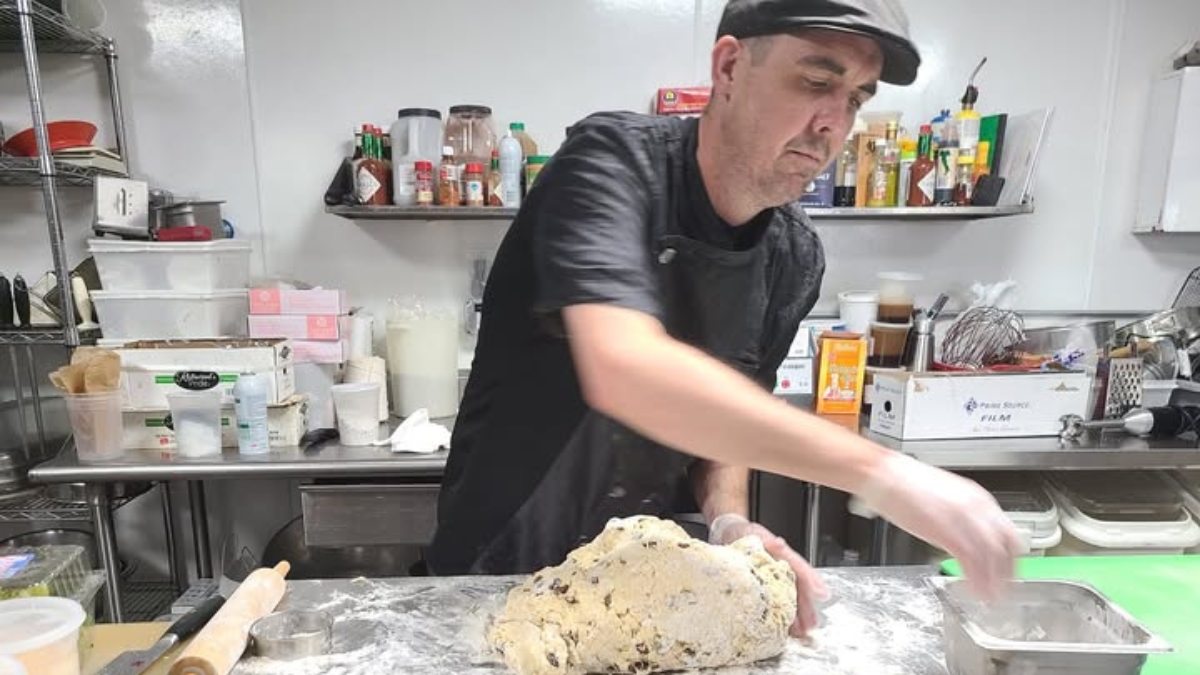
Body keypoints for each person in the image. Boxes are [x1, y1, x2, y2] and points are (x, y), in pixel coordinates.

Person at [428, 0, 1021, 636]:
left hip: (646, 586)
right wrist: (883, 471)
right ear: (730, 67)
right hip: (499, 573)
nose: (833, 123)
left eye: (855, 98)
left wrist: (730, 523)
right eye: (817, 82)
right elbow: (626, 368)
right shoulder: (609, 166)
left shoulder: (791, 255)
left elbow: (726, 425)